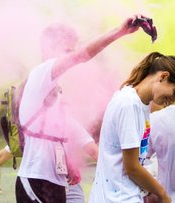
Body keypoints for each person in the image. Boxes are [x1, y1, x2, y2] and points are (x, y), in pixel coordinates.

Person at [15, 15, 146, 203]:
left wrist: (68, 164)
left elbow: (49, 135)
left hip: (52, 182)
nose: (71, 56)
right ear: (48, 47)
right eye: (67, 50)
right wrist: (119, 31)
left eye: (72, 50)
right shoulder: (42, 72)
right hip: (36, 181)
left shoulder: (53, 90)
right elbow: (81, 56)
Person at [88, 52, 175, 203]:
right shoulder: (129, 104)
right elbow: (132, 167)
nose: (172, 100)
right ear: (163, 77)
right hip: (118, 198)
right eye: (174, 92)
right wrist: (163, 194)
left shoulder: (141, 104)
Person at [0, 114, 99, 203]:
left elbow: (94, 152)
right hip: (37, 190)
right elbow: (2, 156)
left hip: (69, 191)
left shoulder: (67, 121)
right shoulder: (29, 127)